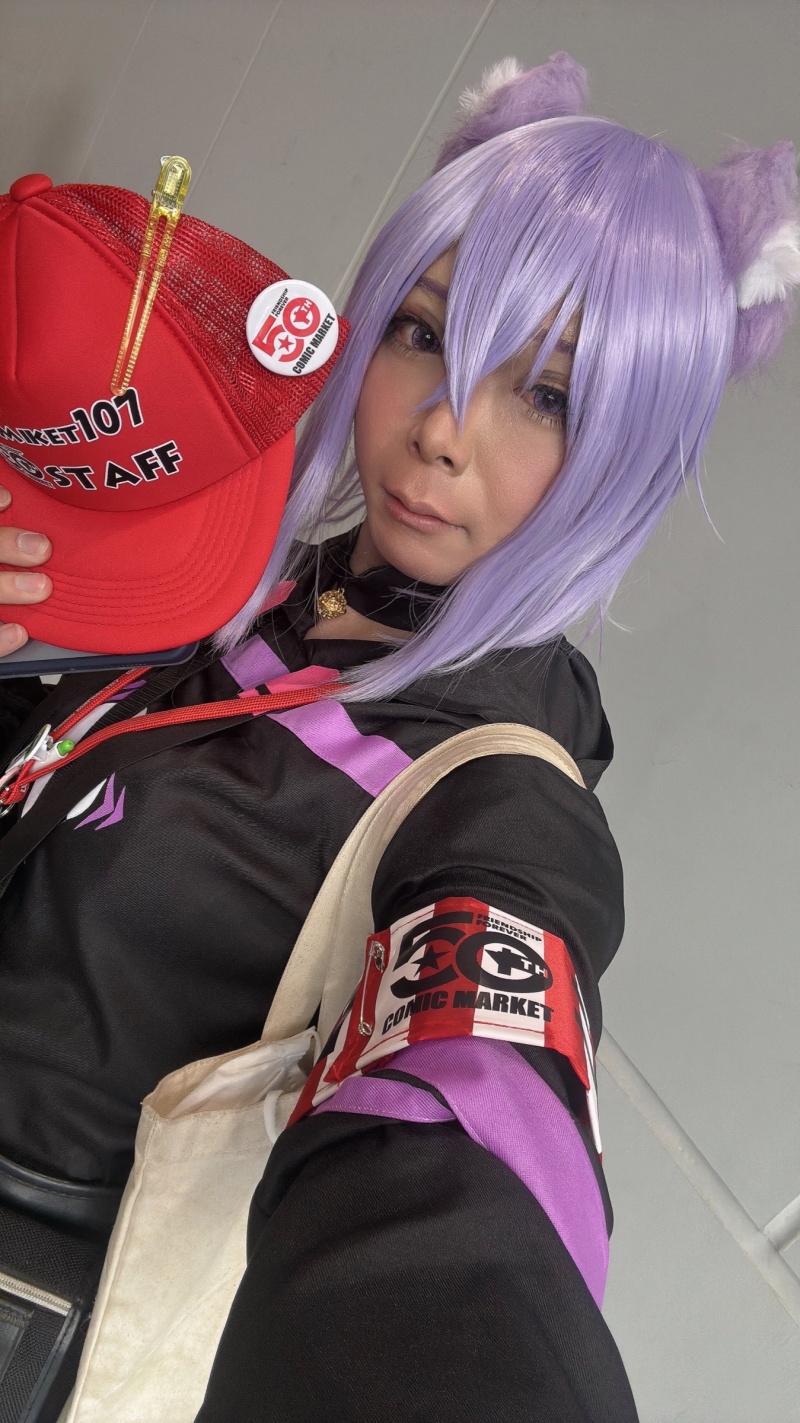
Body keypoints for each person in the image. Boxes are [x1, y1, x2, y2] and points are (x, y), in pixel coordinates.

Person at [0, 52, 797, 1423]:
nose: (441, 432)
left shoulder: (493, 791)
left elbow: (474, 1139)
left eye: (548, 398)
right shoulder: (249, 579)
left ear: (630, 453)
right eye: (425, 334)